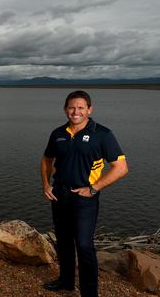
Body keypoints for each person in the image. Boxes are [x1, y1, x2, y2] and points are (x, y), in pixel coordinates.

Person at [40, 90, 128, 297]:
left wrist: (94, 188)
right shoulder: (58, 133)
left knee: (84, 245)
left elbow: (121, 168)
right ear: (65, 110)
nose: (76, 112)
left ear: (90, 109)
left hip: (84, 199)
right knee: (63, 241)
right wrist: (46, 185)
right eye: (71, 107)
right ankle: (66, 282)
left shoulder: (102, 134)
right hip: (59, 195)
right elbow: (46, 160)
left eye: (81, 107)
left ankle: (89, 293)